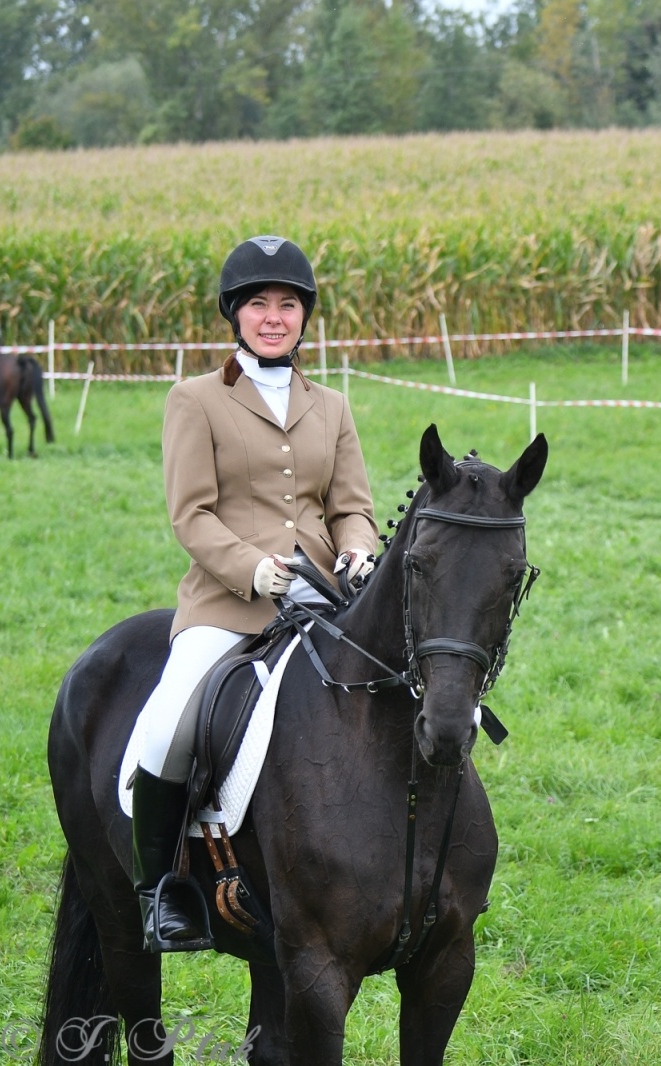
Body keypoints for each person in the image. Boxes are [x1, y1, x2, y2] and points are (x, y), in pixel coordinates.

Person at [128, 235, 379, 951]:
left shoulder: (330, 405)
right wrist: (252, 569)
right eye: (260, 305)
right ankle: (161, 892)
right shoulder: (195, 400)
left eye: (288, 305)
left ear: (305, 317)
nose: (275, 317)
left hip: (323, 605)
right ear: (234, 315)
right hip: (228, 604)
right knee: (172, 725)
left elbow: (351, 504)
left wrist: (358, 547)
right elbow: (191, 515)